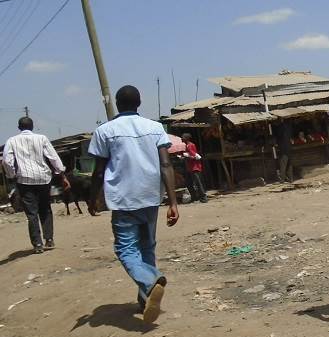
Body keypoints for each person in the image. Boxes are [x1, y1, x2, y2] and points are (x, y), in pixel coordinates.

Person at [87, 86, 179, 324]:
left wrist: (92, 197)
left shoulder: (104, 131)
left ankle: (150, 282)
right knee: (147, 247)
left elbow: (98, 171)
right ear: (140, 102)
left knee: (126, 250)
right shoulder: (155, 127)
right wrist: (173, 201)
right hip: (150, 196)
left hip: (123, 199)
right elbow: (166, 165)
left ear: (117, 103)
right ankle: (145, 298)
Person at [2, 117, 70, 253]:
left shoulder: (12, 141)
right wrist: (60, 172)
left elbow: (6, 161)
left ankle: (38, 244)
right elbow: (53, 157)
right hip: (43, 178)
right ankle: (49, 240)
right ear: (32, 127)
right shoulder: (42, 138)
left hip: (24, 180)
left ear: (19, 127)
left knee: (31, 213)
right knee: (45, 209)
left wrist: (12, 175)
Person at [181, 133, 207, 203]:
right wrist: (184, 157)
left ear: (187, 138)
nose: (182, 138)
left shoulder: (191, 145)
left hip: (194, 167)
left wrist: (187, 156)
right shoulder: (186, 146)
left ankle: (203, 197)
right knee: (188, 183)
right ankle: (194, 197)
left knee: (198, 183)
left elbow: (195, 157)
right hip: (189, 168)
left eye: (183, 137)